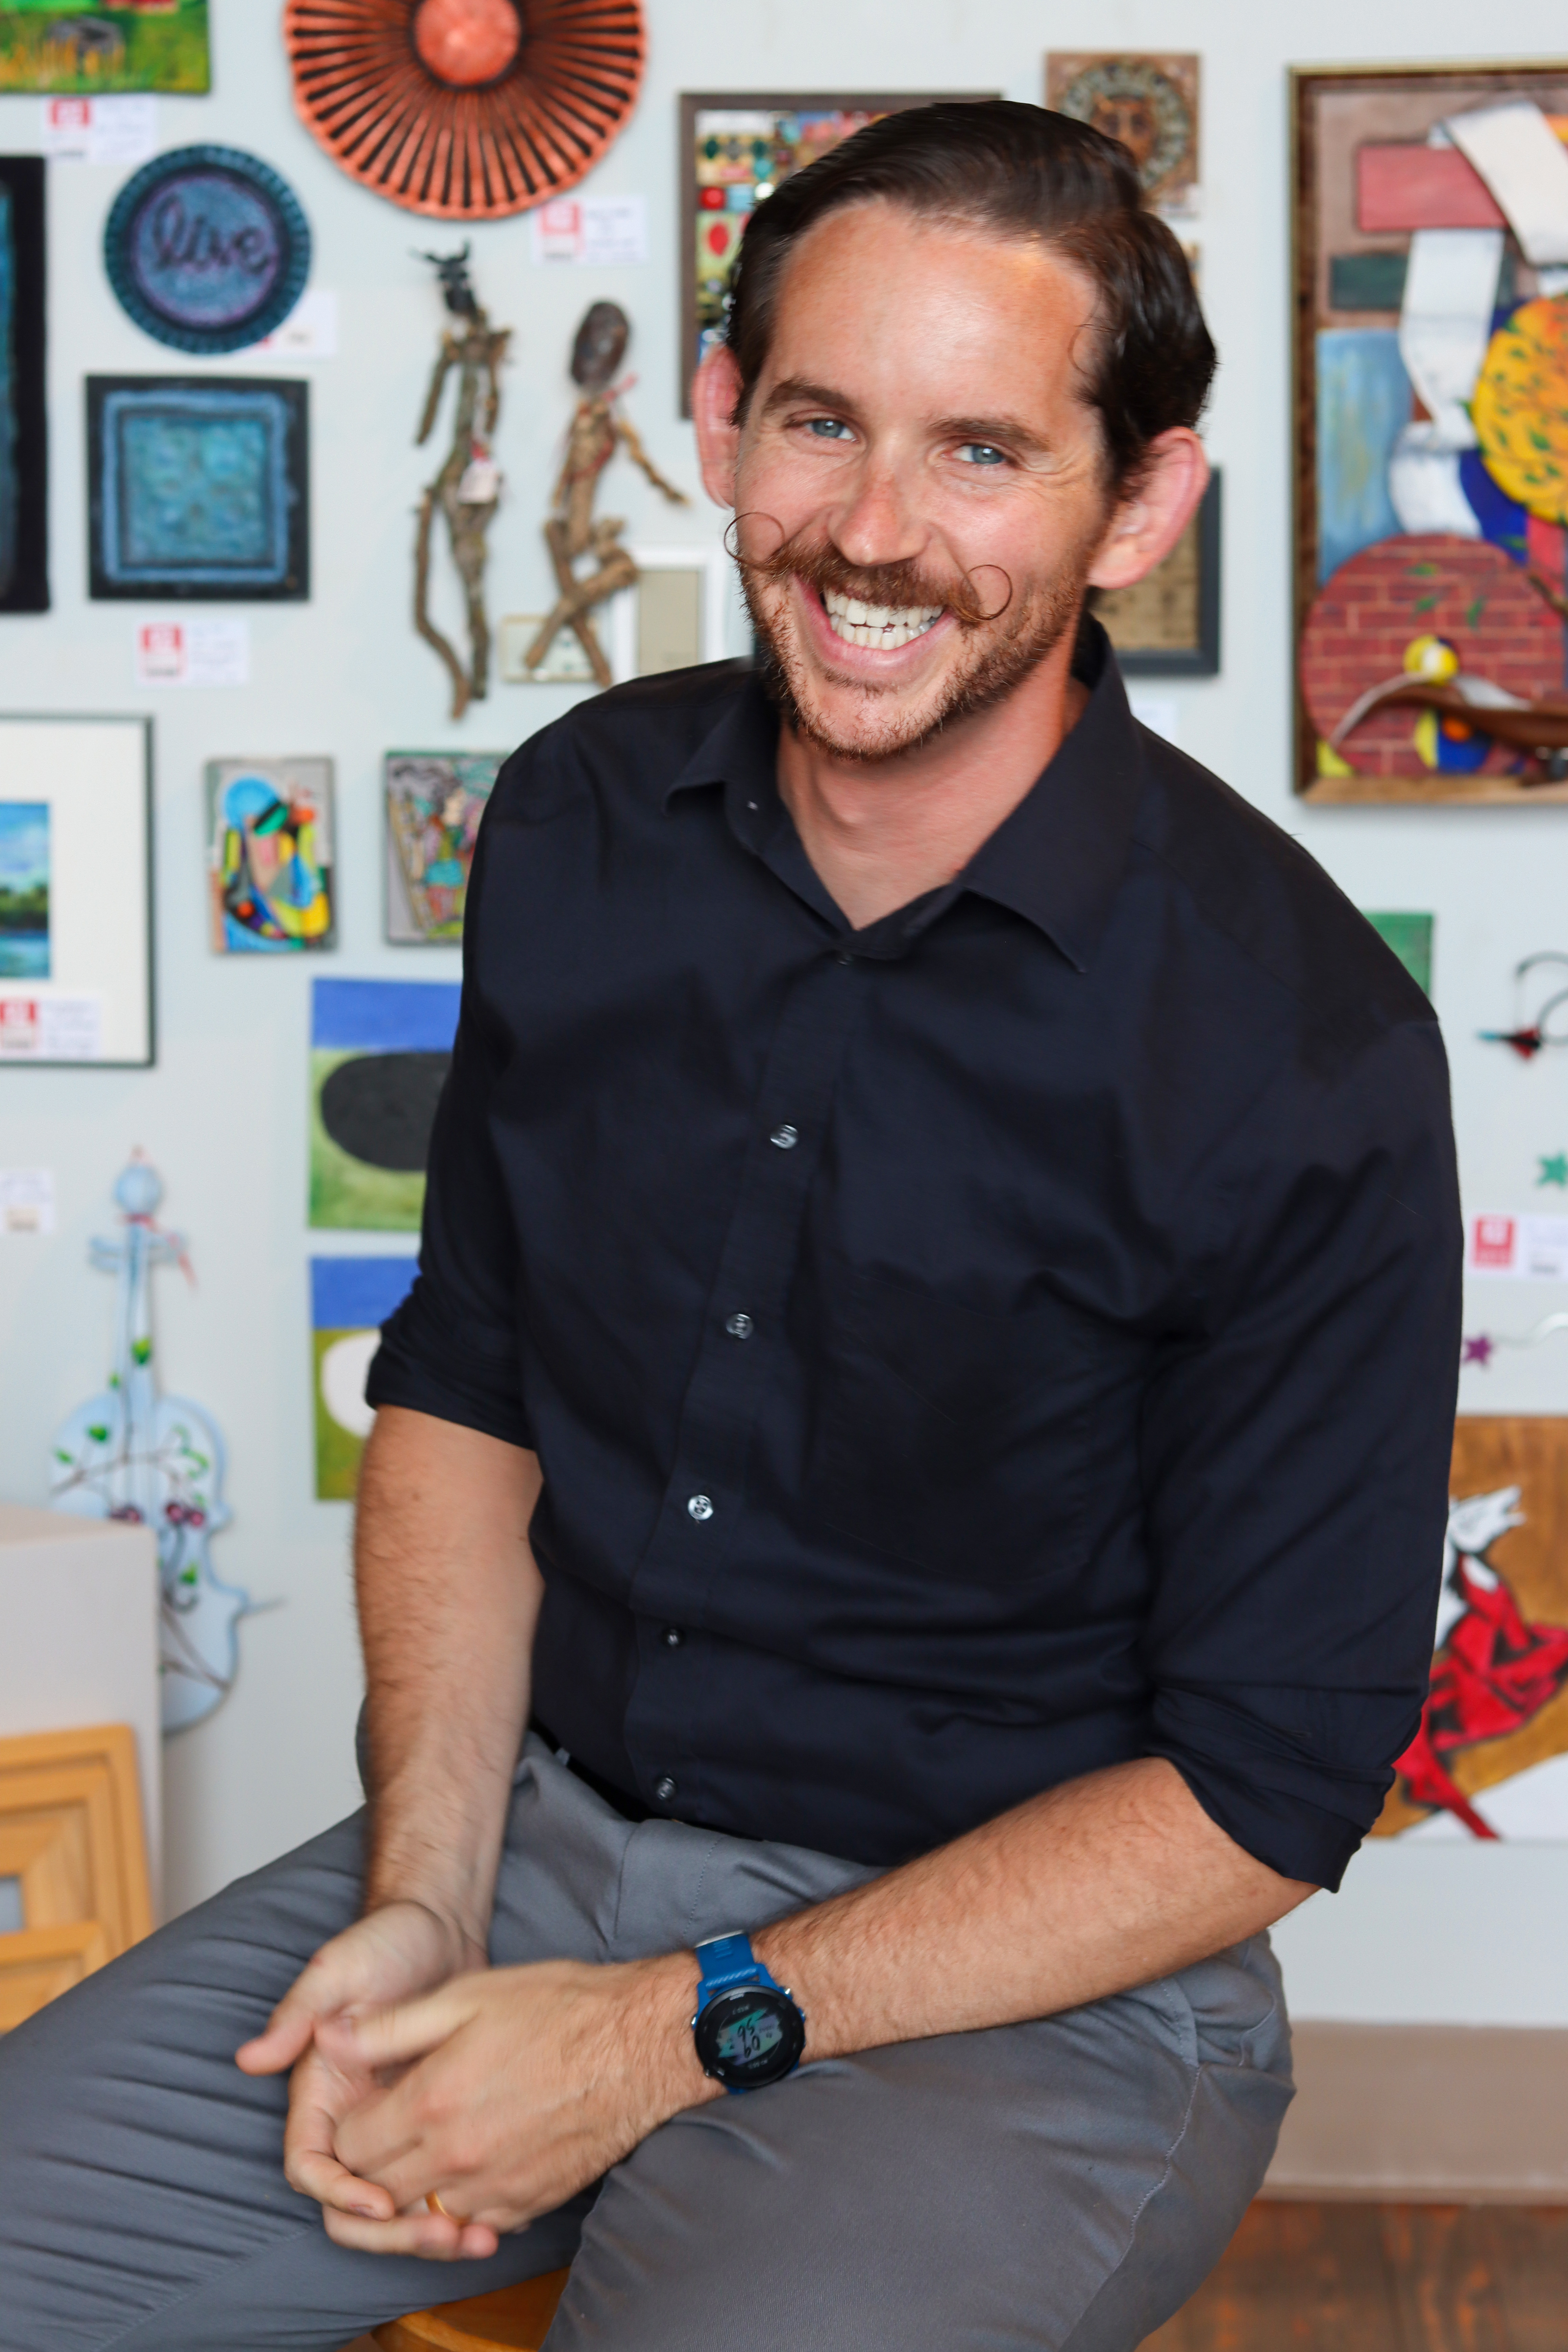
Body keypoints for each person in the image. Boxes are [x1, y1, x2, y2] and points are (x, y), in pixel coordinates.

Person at [0, 101, 1460, 2352]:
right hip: (536, 1847)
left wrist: (647, 2038)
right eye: (820, 421)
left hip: (1019, 1989)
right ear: (720, 418)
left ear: (1141, 501)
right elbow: (470, 1384)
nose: (874, 533)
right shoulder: (579, 817)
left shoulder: (1302, 1043)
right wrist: (427, 1894)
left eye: (985, 452)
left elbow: (1265, 1789)